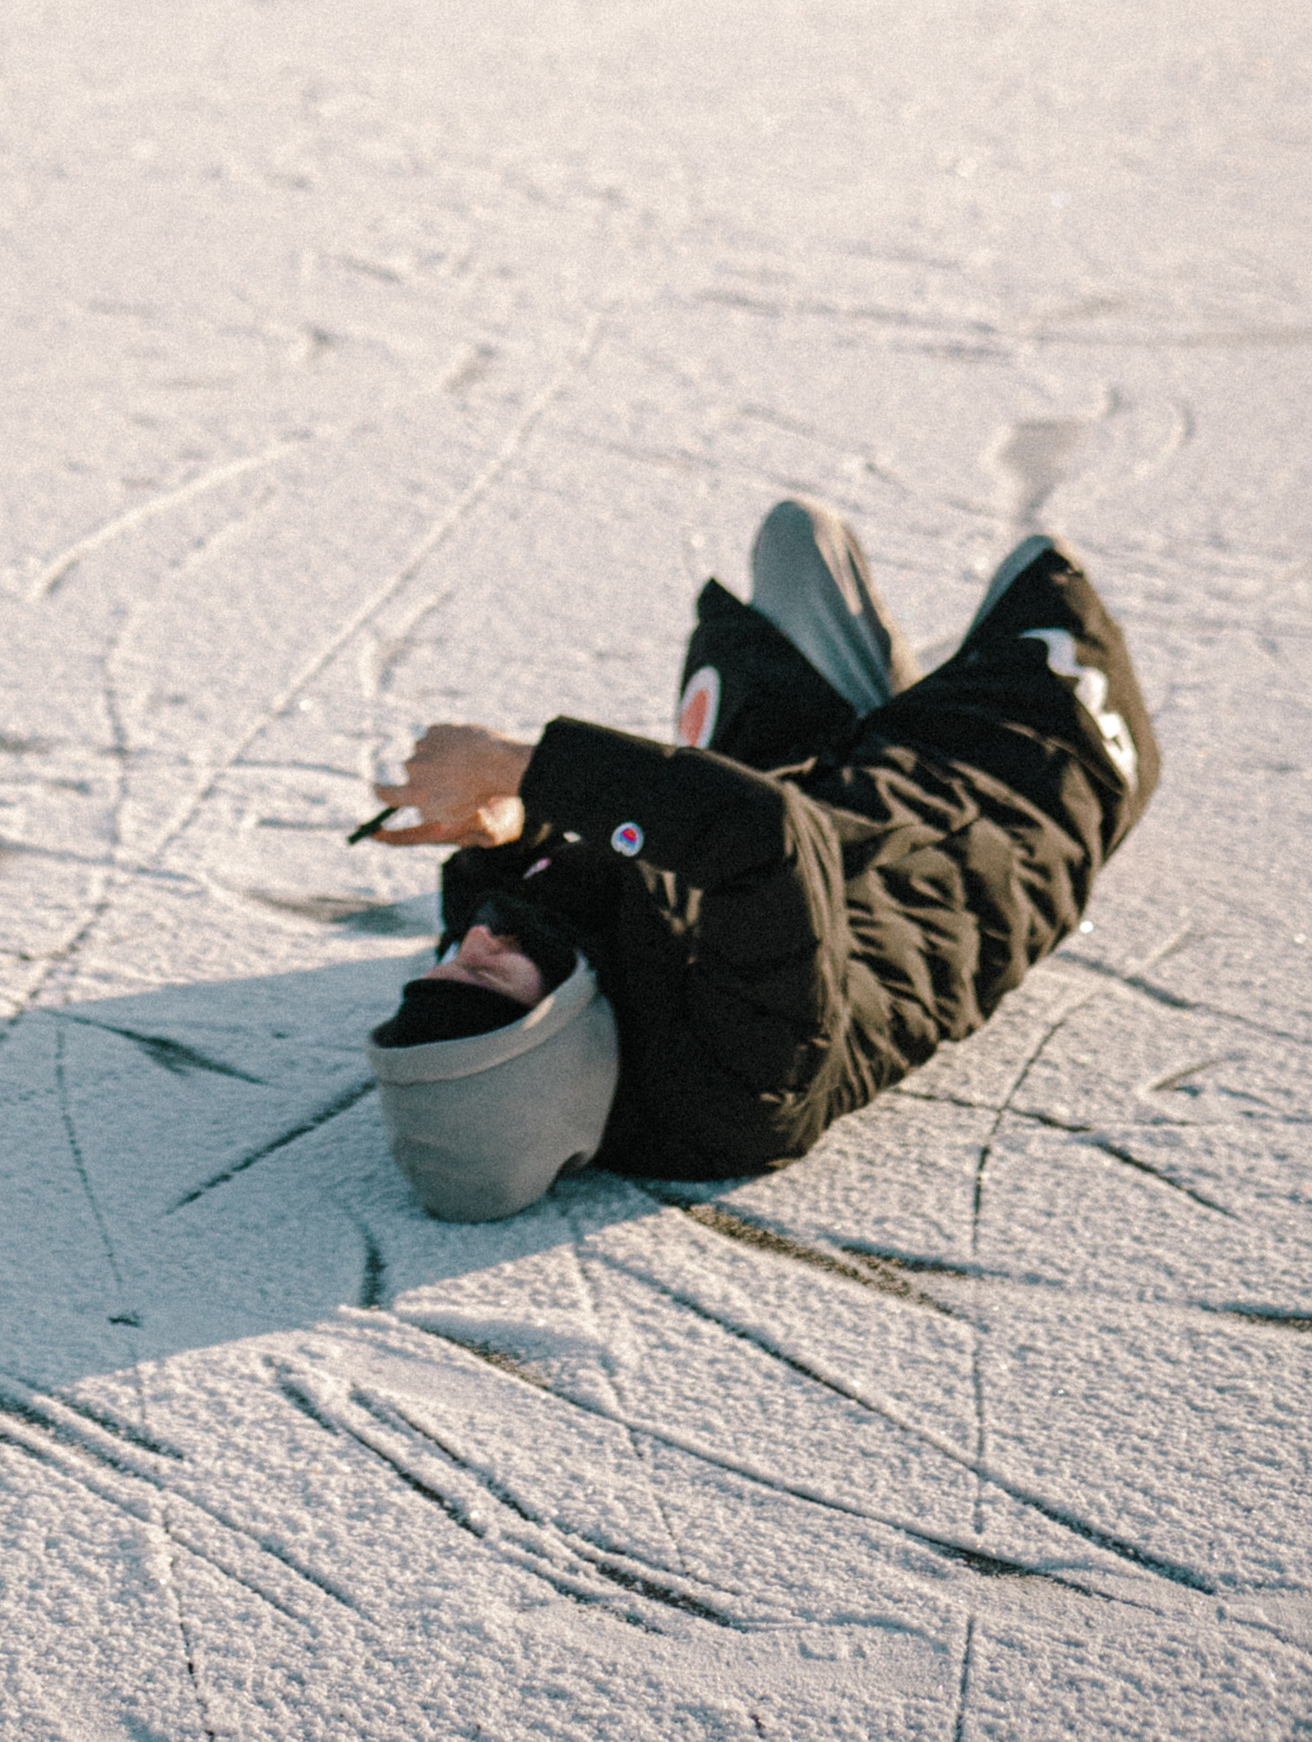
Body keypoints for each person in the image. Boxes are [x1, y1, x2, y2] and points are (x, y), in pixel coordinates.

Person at [358, 501, 1160, 1219]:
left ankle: (884, 697)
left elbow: (516, 906)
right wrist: (524, 769)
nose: (475, 941)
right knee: (1045, 568)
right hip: (991, 803)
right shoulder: (739, 1087)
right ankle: (930, 691)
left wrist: (508, 834)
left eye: (449, 962)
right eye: (487, 971)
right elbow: (762, 841)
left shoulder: (554, 1015)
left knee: (794, 535)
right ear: (553, 1050)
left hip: (812, 778)